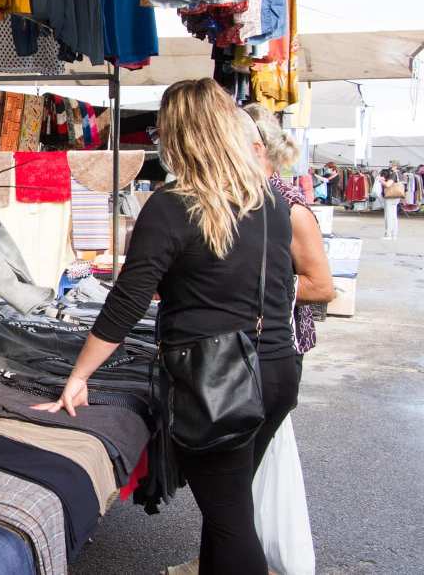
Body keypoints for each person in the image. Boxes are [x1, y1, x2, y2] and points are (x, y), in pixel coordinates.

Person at [35, 79, 298, 575]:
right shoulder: (270, 201)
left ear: (176, 135)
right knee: (229, 506)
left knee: (230, 518)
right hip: (277, 367)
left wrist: (80, 375)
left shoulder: (174, 206)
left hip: (214, 377)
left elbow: (127, 302)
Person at [243, 103, 335, 356]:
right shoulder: (243, 199)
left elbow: (321, 287)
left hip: (276, 344)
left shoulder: (290, 206)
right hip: (238, 341)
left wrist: (237, 286)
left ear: (256, 149)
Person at [380, 168, 401, 240]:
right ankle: (394, 234)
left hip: (390, 197)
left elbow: (388, 184)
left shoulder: (393, 175)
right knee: (393, 216)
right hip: (396, 197)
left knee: (388, 216)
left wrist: (381, 180)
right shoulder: (399, 174)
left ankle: (388, 234)